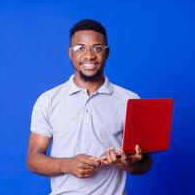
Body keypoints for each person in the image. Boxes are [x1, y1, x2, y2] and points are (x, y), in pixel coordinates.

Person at [26, 19, 152, 195]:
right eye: (80, 48)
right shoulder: (48, 100)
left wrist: (129, 163)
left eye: (97, 48)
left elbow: (144, 164)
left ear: (106, 53)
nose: (89, 55)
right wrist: (67, 165)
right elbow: (33, 159)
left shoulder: (130, 100)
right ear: (70, 53)